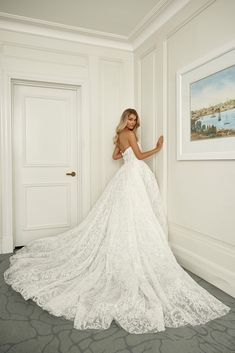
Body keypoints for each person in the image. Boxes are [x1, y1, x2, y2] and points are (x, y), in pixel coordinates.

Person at [4, 108, 231, 334]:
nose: (132, 123)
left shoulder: (119, 136)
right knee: (137, 212)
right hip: (133, 175)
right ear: (125, 119)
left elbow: (115, 156)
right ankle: (135, 250)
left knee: (127, 214)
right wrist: (158, 147)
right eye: (130, 119)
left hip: (125, 175)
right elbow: (140, 157)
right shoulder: (130, 135)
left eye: (134, 120)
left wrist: (126, 154)